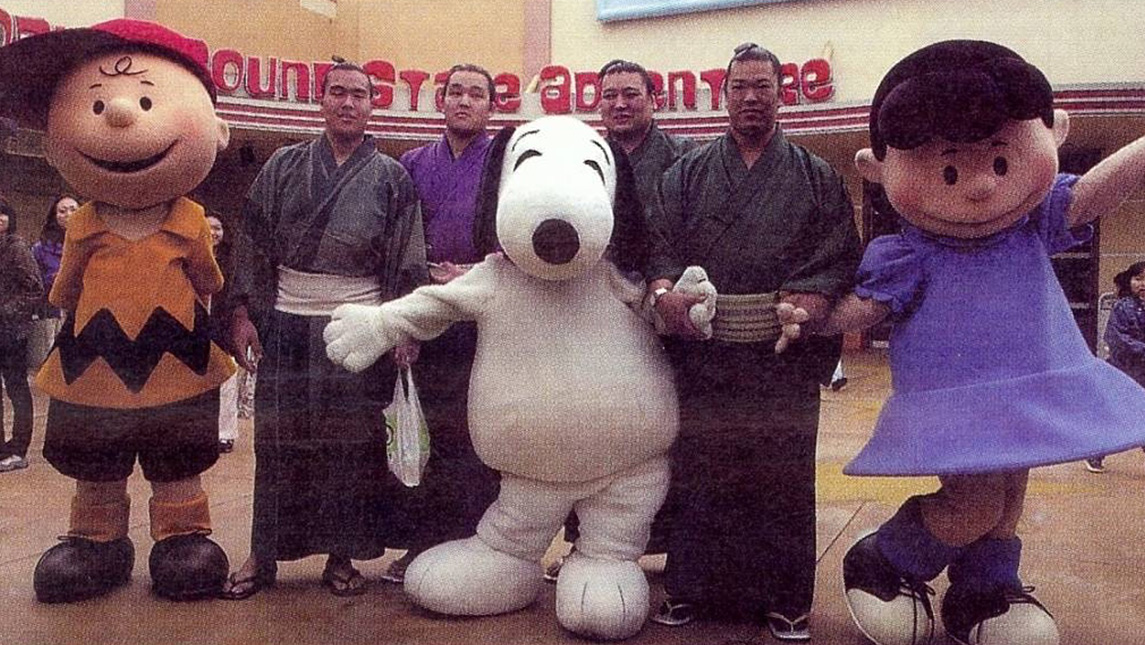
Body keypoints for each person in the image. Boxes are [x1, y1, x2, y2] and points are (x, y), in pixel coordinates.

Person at [784, 40, 1145, 645]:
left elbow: (1098, 192)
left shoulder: (1033, 223)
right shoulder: (910, 252)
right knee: (972, 504)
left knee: (1005, 506)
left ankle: (984, 590)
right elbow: (865, 307)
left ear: (1053, 135)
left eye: (1000, 163)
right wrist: (812, 315)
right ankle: (886, 561)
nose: (979, 186)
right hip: (956, 399)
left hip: (1033, 388)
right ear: (875, 168)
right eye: (950, 169)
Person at [644, 43, 862, 641]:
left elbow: (839, 251)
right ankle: (689, 590)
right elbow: (660, 246)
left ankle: (786, 600)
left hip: (782, 351)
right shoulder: (685, 173)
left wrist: (815, 296)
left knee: (782, 477)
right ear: (724, 93)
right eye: (739, 86)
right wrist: (665, 291)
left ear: (781, 92)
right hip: (707, 351)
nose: (749, 97)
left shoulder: (816, 175)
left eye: (761, 86)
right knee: (701, 469)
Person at [221, 59, 427, 599]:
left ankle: (340, 556)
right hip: (288, 321)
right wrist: (243, 312)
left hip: (358, 327)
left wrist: (403, 327)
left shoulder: (391, 176)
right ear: (322, 99)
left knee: (350, 446)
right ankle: (262, 555)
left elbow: (406, 258)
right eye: (338, 92)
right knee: (278, 439)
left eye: (359, 94)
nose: (348, 103)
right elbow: (253, 243)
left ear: (372, 103)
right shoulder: (283, 166)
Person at [547, 58, 698, 582]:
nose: (619, 104)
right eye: (609, 95)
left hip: (661, 305)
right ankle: (586, 546)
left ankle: (676, 548)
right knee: (587, 425)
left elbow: (687, 236)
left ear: (653, 100)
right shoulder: (581, 156)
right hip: (592, 309)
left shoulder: (683, 159)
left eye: (630, 94)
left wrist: (666, 288)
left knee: (665, 428)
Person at [387, 63, 501, 583]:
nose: (464, 101)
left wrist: (480, 268)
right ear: (441, 99)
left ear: (491, 107)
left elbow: (516, 233)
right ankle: (421, 543)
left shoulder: (505, 160)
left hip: (482, 311)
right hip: (427, 304)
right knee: (428, 432)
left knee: (478, 432)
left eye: (476, 94)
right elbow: (399, 240)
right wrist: (408, 312)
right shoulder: (412, 162)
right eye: (455, 91)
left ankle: (483, 542)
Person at [1086, 261, 1145, 473]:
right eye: (1138, 278)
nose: (1142, 284)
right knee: (1112, 414)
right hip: (1123, 370)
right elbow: (1117, 339)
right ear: (1129, 281)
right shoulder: (1123, 307)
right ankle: (1095, 453)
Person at [0, 198, 43, 472]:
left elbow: (35, 290)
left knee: (16, 388)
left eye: (2, 214)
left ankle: (19, 447)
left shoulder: (16, 249)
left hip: (12, 331)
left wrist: (5, 311)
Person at [28, 195, 78, 367]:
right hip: (52, 310)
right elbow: (33, 281)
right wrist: (55, 278)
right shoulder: (40, 248)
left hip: (84, 308)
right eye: (62, 211)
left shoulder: (91, 241)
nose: (68, 214)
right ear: (54, 216)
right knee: (54, 363)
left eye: (73, 209)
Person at [207, 213, 239, 454]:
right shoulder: (189, 258)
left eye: (217, 228)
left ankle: (225, 434)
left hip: (223, 327)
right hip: (194, 328)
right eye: (207, 228)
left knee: (227, 380)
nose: (213, 233)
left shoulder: (232, 263)